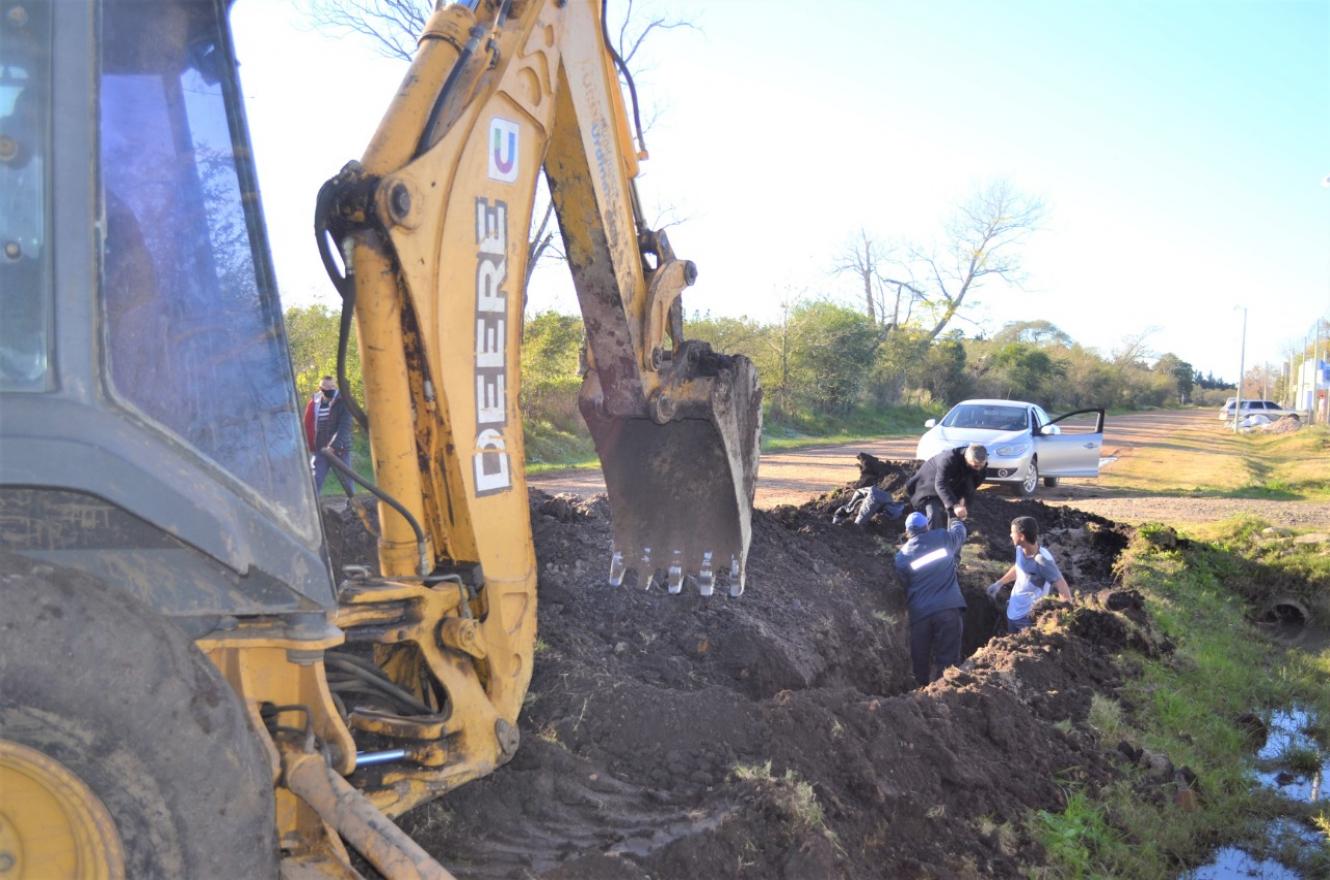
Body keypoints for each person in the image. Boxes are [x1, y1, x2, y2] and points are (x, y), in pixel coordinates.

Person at [893, 511, 968, 688]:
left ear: (907, 531)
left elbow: (905, 583)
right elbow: (960, 533)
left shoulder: (902, 557)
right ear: (927, 526)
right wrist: (956, 518)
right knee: (948, 658)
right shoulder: (942, 537)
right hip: (948, 609)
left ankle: (921, 692)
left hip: (921, 615)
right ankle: (945, 690)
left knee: (920, 656)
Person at [986, 516, 1073, 633]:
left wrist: (1064, 619)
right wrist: (999, 583)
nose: (1010, 535)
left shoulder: (1042, 561)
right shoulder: (1020, 549)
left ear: (1021, 536)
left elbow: (1062, 586)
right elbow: (1019, 568)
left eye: (1012, 533)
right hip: (1012, 611)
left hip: (1028, 619)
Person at [905, 443, 988, 531]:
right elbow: (940, 484)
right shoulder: (949, 459)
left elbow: (972, 485)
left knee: (956, 513)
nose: (978, 468)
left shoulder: (981, 468)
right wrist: (955, 505)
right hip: (929, 485)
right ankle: (933, 540)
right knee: (934, 512)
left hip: (953, 484)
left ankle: (952, 540)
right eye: (975, 465)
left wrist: (963, 499)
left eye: (981, 466)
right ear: (967, 458)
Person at [305, 376, 354, 494]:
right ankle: (314, 508)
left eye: (332, 386)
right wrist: (311, 445)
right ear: (320, 388)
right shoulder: (314, 403)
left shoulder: (344, 401)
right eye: (327, 387)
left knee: (347, 483)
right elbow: (309, 425)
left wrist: (333, 446)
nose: (330, 389)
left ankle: (354, 507)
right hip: (321, 450)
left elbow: (345, 426)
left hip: (340, 449)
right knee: (314, 481)